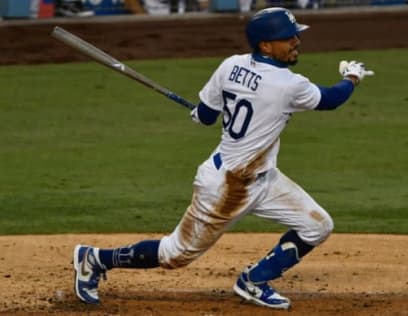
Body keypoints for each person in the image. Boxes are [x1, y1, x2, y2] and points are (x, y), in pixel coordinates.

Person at [73, 7, 374, 310]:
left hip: (264, 177)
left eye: (296, 35)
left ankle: (253, 281)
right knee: (175, 255)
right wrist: (351, 76)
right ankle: (95, 259)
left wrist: (199, 113)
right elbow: (332, 99)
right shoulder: (289, 85)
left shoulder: (231, 66)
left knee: (318, 225)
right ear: (265, 46)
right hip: (226, 187)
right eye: (288, 38)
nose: (296, 41)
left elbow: (206, 116)